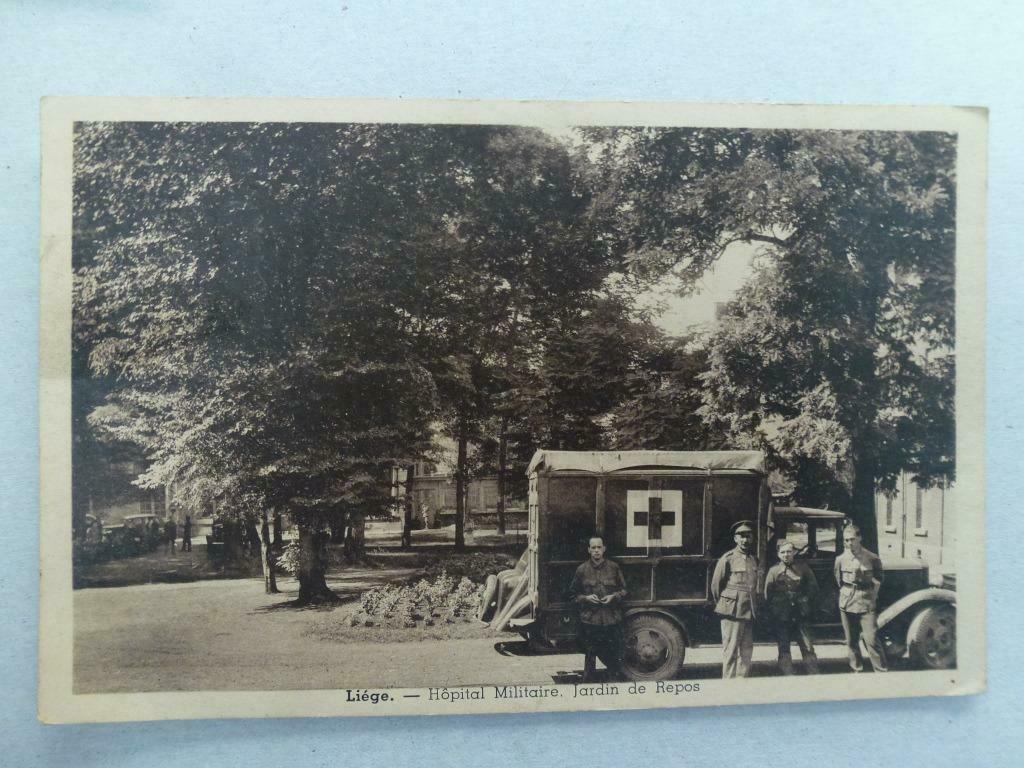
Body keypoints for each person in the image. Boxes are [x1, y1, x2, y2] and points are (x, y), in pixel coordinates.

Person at [569, 536, 627, 682]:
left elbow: (624, 590)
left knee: (613, 654)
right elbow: (572, 595)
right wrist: (586, 598)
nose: (596, 551)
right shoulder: (581, 570)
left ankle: (613, 683)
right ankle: (588, 683)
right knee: (590, 654)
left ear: (604, 549)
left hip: (611, 619)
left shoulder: (614, 568)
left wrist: (613, 597)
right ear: (589, 550)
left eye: (599, 547)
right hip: (590, 620)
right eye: (593, 548)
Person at [834, 523, 887, 672]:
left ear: (860, 538)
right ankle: (856, 669)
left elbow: (878, 580)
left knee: (871, 638)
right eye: (846, 540)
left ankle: (881, 670)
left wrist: (873, 598)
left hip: (866, 602)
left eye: (852, 539)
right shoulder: (840, 559)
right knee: (851, 640)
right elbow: (839, 581)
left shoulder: (872, 558)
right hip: (847, 602)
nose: (849, 543)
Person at [764, 539, 820, 674]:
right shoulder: (773, 571)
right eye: (783, 552)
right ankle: (787, 673)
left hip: (800, 613)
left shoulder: (803, 568)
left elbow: (813, 588)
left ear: (794, 552)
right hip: (782, 614)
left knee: (807, 645)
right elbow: (767, 594)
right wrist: (776, 610)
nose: (786, 555)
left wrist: (805, 599)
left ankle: (813, 673)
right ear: (778, 554)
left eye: (789, 552)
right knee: (784, 646)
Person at [712, 520, 759, 678]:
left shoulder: (753, 559)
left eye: (748, 536)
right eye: (741, 536)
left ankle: (741, 683)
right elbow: (716, 586)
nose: (745, 540)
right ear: (735, 539)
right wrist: (727, 604)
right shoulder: (728, 558)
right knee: (731, 650)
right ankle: (729, 685)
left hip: (748, 610)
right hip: (732, 611)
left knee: (746, 650)